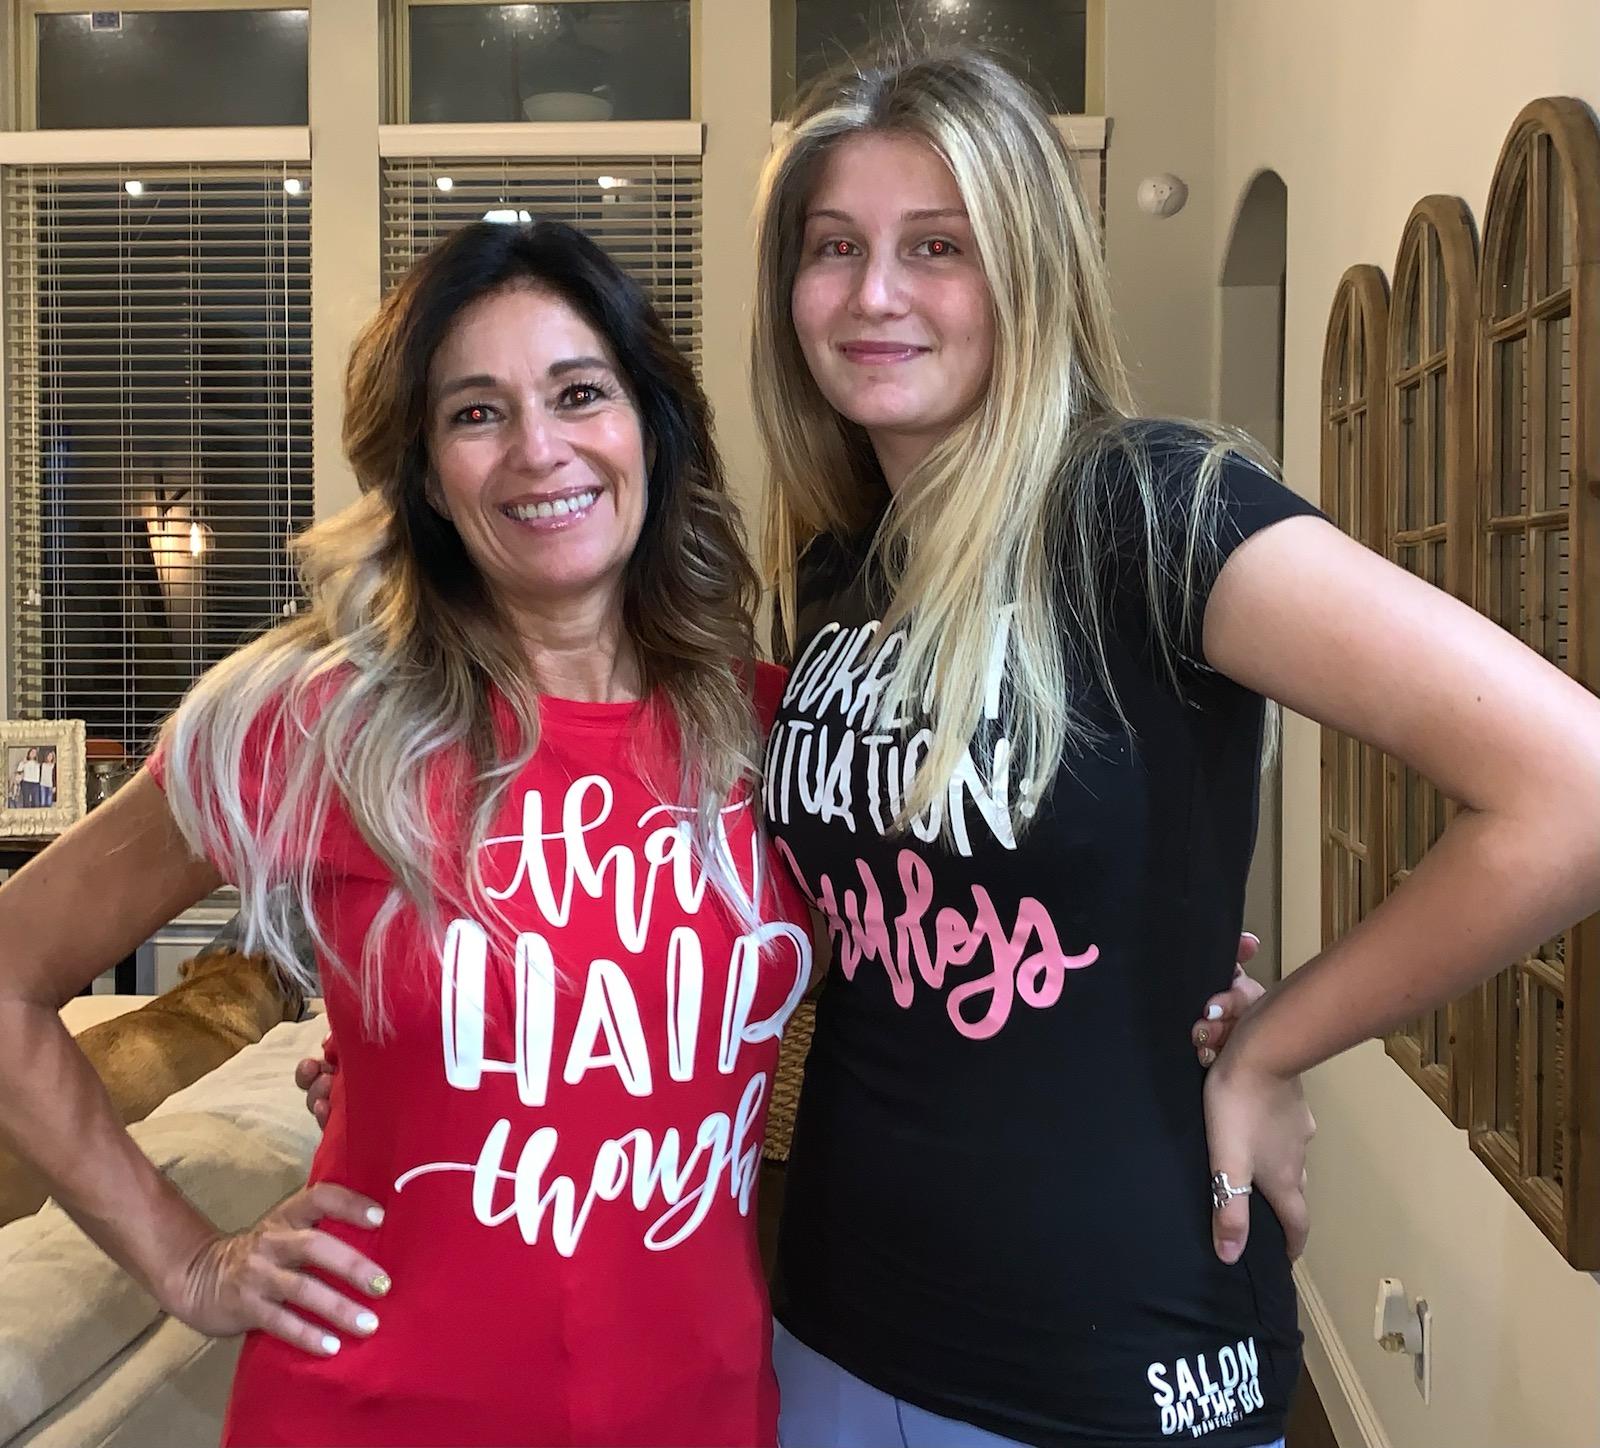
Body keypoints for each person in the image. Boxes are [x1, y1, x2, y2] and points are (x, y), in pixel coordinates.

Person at [740, 47, 1600, 1448]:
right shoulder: (845, 568)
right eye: (835, 247)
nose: (874, 292)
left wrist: (1276, 1045)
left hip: (1116, 1349)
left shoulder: (1155, 510)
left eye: (937, 246)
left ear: (1029, 272)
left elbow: (1573, 788)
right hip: (836, 1309)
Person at [0, 219, 818, 1447]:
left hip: (703, 1407)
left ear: (652, 424)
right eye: (475, 412)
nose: (539, 449)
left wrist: (1209, 1022)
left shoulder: (768, 731)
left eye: (579, 391)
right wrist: (186, 1261)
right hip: (378, 1410)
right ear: (427, 472)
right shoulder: (317, 719)